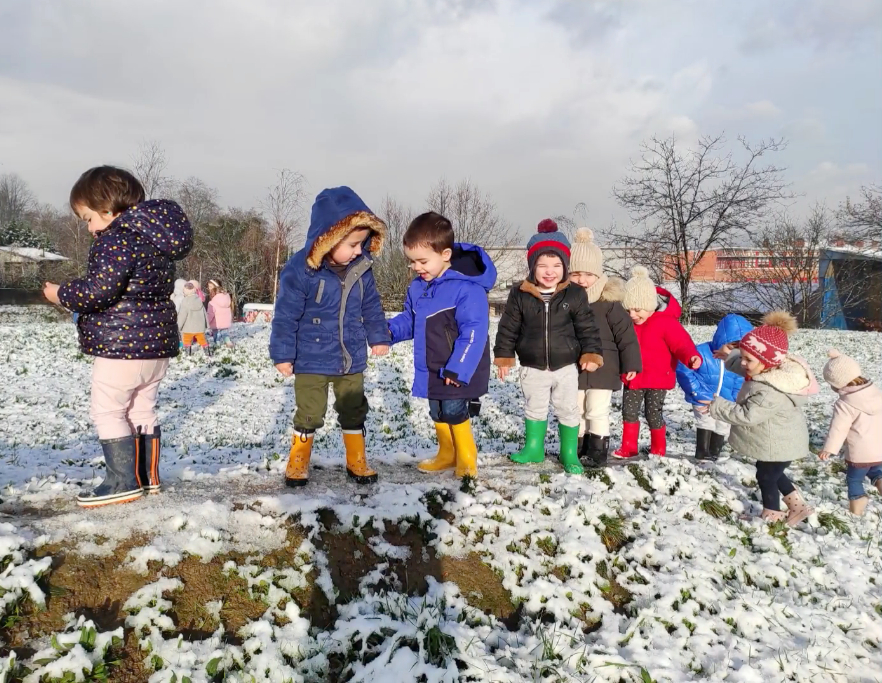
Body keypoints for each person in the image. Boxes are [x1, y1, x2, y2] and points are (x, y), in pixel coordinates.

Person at [42, 165, 192, 508]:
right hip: (156, 347)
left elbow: (99, 290)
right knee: (142, 409)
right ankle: (146, 478)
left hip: (122, 345)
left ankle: (121, 482)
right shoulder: (155, 241)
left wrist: (61, 293)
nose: (90, 228)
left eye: (88, 219)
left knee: (108, 410)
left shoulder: (115, 239)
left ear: (107, 210)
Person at [269, 186, 391, 487]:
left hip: (351, 355)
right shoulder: (301, 271)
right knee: (310, 411)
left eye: (362, 243)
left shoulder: (362, 269)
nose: (358, 251)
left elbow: (372, 305)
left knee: (353, 408)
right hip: (311, 358)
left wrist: (378, 336)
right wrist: (283, 354)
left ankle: (356, 459)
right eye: (352, 244)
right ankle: (298, 459)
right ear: (329, 238)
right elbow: (286, 315)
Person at [388, 212, 496, 478]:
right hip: (432, 364)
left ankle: (467, 457)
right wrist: (387, 331)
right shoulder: (418, 287)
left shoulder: (467, 289)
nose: (416, 267)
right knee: (436, 410)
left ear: (445, 254)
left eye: (423, 261)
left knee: (453, 409)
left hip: (458, 367)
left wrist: (459, 367)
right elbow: (410, 320)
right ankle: (447, 453)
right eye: (412, 261)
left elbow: (474, 332)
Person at [493, 219, 603, 475]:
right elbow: (508, 327)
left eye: (556, 265)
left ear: (565, 267)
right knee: (535, 407)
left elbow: (587, 327)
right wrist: (504, 357)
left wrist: (591, 353)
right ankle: (534, 448)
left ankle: (568, 452)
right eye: (542, 265)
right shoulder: (520, 293)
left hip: (565, 365)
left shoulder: (575, 294)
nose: (549, 271)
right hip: (532, 365)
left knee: (568, 408)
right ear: (532, 266)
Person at [699, 311, 818, 526]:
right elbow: (748, 364)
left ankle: (772, 514)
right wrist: (730, 356)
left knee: (766, 476)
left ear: (766, 361)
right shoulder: (768, 370)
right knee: (771, 472)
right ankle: (798, 506)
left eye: (748, 359)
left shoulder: (769, 391)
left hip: (780, 443)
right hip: (778, 441)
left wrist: (716, 406)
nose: (743, 363)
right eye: (742, 356)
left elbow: (747, 415)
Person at [567, 228, 641, 467]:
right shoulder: (565, 301)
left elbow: (626, 336)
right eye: (576, 273)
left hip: (604, 368)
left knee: (596, 410)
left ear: (598, 275)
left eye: (588, 274)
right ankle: (576, 448)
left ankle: (597, 452)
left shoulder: (609, 304)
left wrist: (631, 364)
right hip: (573, 367)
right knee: (575, 409)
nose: (582, 280)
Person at [616, 266, 702, 459]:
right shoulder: (626, 323)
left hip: (658, 379)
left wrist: (691, 356)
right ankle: (628, 447)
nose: (632, 314)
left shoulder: (665, 322)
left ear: (650, 305)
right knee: (628, 412)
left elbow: (681, 344)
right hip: (633, 377)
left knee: (653, 414)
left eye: (637, 309)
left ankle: (658, 448)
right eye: (628, 309)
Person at [676, 314, 753, 461]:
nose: (732, 353)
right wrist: (697, 392)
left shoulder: (739, 362)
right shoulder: (702, 352)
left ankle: (714, 452)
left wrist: (734, 399)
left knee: (723, 424)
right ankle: (702, 453)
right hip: (703, 397)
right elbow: (684, 370)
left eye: (739, 350)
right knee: (705, 422)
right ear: (720, 339)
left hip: (725, 400)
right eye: (730, 347)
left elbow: (739, 381)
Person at [818, 349, 882, 517]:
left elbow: (838, 428)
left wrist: (829, 449)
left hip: (860, 452)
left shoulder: (845, 404)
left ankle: (858, 502)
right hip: (879, 448)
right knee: (876, 470)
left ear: (837, 383)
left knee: (854, 479)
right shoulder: (876, 393)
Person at [177, 282, 211, 355]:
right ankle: (207, 352)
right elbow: (204, 313)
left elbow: (182, 315)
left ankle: (187, 354)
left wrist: (178, 326)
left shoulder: (185, 301)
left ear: (185, 292)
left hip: (188, 328)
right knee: (202, 339)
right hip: (200, 327)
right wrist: (207, 324)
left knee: (187, 340)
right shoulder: (199, 300)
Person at [206, 279, 234, 347]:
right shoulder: (227, 297)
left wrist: (207, 322)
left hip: (216, 322)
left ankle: (217, 344)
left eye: (210, 286)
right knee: (224, 333)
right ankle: (228, 342)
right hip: (225, 321)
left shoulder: (212, 302)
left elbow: (210, 314)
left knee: (216, 334)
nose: (208, 288)